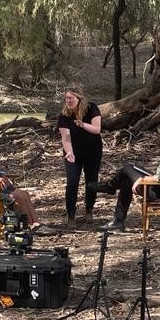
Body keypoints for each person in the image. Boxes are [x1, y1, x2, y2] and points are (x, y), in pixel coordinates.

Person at [90, 114, 160, 232]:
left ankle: (109, 187)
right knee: (127, 178)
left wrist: (143, 180)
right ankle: (117, 221)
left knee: (127, 169)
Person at [57, 86, 102, 227]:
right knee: (72, 182)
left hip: (92, 151)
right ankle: (71, 213)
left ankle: (89, 208)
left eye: (71, 98)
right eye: (66, 98)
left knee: (91, 181)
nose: (68, 101)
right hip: (73, 152)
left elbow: (97, 129)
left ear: (79, 98)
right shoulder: (64, 115)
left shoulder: (91, 108)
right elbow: (65, 138)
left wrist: (82, 125)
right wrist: (69, 152)